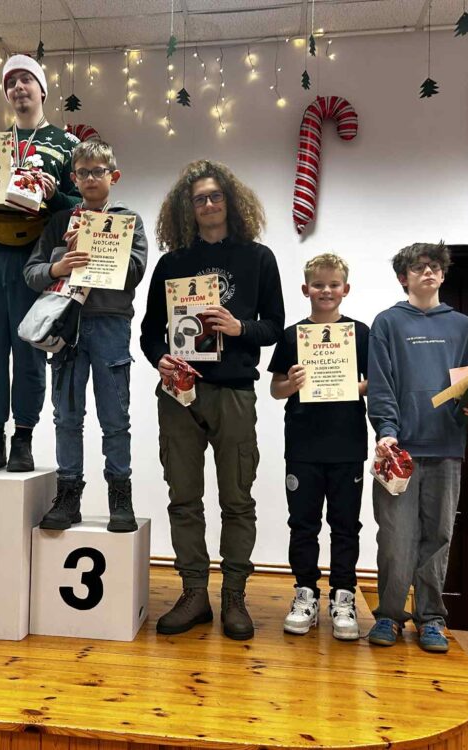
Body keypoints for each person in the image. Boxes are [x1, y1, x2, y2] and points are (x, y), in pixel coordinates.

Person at [140, 160, 284, 640]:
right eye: (199, 198)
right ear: (188, 207)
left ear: (231, 201)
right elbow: (149, 332)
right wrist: (160, 358)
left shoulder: (259, 258)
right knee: (183, 497)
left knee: (237, 499)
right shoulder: (172, 264)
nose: (207, 204)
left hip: (234, 392)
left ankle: (234, 596)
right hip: (179, 394)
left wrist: (239, 327)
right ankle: (194, 594)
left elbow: (275, 327)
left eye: (215, 196)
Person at [0, 54, 81, 473]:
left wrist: (54, 195)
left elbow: (81, 206)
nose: (18, 87)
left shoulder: (66, 144)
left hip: (36, 255)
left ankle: (23, 437)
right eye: (11, 82)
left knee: (29, 346)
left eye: (26, 79)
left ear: (42, 89)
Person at [367, 241, 468, 653]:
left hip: (447, 449)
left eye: (435, 267)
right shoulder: (387, 323)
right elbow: (381, 384)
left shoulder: (464, 327)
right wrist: (386, 430)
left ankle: (431, 619)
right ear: (403, 277)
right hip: (398, 452)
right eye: (419, 267)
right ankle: (389, 615)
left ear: (442, 274)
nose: (428, 272)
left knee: (438, 537)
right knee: (395, 539)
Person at [24, 140, 148, 532]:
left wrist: (96, 247)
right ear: (73, 179)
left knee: (115, 417)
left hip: (111, 323)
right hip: (67, 324)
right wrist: (59, 266)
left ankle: (120, 496)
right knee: (66, 416)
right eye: (83, 173)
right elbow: (31, 273)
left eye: (98, 171)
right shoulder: (60, 221)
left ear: (114, 176)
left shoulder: (128, 221)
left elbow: (135, 272)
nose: (91, 178)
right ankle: (68, 495)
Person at [268, 253, 368, 641]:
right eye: (319, 284)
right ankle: (305, 594)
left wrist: (352, 385)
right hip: (303, 446)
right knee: (303, 524)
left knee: (346, 526)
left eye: (333, 284)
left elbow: (376, 382)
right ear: (305, 289)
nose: (326, 290)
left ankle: (343, 597)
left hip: (347, 445)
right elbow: (276, 389)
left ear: (346, 289)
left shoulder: (360, 333)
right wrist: (291, 384)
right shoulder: (292, 335)